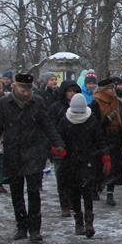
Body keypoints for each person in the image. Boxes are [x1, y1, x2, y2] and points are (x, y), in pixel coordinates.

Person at [0, 72, 67, 242]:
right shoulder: (4, 103)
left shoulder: (37, 102)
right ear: (15, 87)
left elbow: (47, 124)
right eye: (23, 89)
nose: (26, 93)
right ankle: (21, 226)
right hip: (13, 152)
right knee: (16, 193)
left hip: (34, 152)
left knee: (34, 192)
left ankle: (35, 229)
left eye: (28, 89)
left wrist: (58, 143)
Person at [56, 93, 108, 238]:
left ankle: (88, 222)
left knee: (87, 192)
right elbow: (58, 139)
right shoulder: (65, 121)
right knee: (74, 193)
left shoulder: (91, 120)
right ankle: (79, 221)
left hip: (87, 160)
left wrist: (105, 156)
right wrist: (58, 149)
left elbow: (99, 139)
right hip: (71, 161)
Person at [92, 80, 122, 207]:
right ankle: (96, 188)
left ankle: (110, 193)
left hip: (114, 137)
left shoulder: (115, 102)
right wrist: (107, 119)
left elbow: (119, 122)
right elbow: (95, 125)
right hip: (101, 139)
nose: (112, 91)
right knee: (100, 167)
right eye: (109, 89)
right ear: (103, 90)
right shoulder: (95, 102)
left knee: (113, 168)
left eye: (113, 88)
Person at [49, 80, 82, 217]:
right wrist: (55, 145)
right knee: (62, 178)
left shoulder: (82, 107)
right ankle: (65, 205)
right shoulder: (56, 108)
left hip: (77, 148)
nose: (72, 94)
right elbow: (51, 128)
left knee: (76, 178)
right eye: (69, 91)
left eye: (75, 91)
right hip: (61, 148)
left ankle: (75, 202)